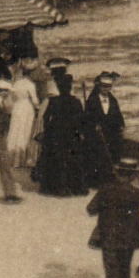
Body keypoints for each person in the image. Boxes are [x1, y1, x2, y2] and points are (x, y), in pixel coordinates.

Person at [35, 60, 88, 196]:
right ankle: (77, 188)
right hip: (71, 135)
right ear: (69, 87)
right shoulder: (76, 101)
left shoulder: (54, 101)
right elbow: (81, 119)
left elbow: (46, 118)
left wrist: (47, 132)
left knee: (56, 160)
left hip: (56, 134)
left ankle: (58, 188)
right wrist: (80, 132)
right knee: (74, 160)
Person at [6, 60, 42, 180]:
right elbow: (35, 100)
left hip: (17, 107)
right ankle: (22, 158)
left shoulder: (16, 84)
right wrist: (39, 107)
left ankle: (13, 158)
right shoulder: (30, 85)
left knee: (15, 131)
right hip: (26, 108)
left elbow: (11, 97)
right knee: (25, 132)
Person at [85, 71, 126, 160]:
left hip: (111, 137)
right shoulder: (92, 101)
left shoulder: (113, 101)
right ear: (99, 86)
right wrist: (94, 126)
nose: (105, 89)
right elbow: (86, 119)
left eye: (108, 86)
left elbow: (118, 116)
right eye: (103, 86)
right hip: (96, 139)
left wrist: (122, 126)